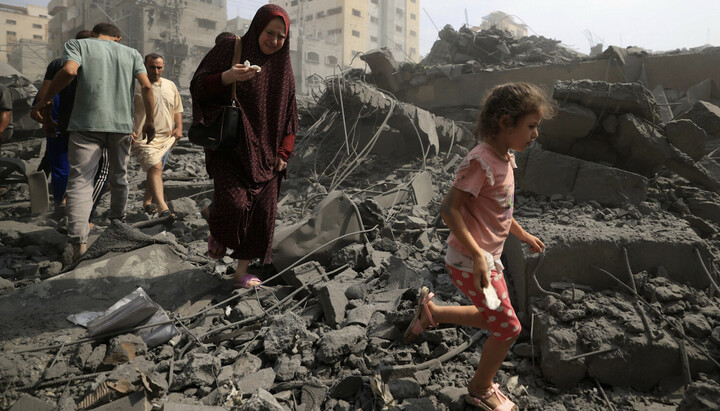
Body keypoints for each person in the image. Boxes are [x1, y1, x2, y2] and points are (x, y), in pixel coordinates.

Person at [403, 83, 555, 410]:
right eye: (531, 126)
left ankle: (433, 312)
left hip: (486, 259)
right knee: (509, 327)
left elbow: (498, 210)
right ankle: (480, 388)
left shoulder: (505, 157)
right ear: (505, 123)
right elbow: (449, 209)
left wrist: (522, 234)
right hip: (470, 263)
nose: (536, 134)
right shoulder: (480, 161)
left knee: (493, 318)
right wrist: (477, 256)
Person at [190, 5, 297, 289]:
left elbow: (290, 115)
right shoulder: (231, 48)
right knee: (236, 205)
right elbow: (198, 85)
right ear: (257, 28)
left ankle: (241, 272)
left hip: (268, 155)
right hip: (231, 148)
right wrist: (228, 77)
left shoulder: (284, 69)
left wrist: (284, 153)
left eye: (281, 36)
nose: (274, 41)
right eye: (269, 33)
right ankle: (218, 225)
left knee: (261, 214)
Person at [33, 22, 155, 261]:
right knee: (119, 176)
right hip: (120, 125)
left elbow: (69, 71)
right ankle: (118, 225)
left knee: (80, 180)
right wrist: (150, 121)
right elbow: (147, 86)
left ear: (96, 34)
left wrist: (45, 99)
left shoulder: (77, 45)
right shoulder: (131, 53)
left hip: (85, 124)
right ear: (117, 38)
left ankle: (79, 244)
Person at [32, 30, 110, 221]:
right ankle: (78, 209)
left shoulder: (59, 63)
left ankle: (62, 205)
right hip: (89, 122)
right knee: (91, 167)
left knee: (60, 164)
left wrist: (43, 115)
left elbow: (45, 95)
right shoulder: (99, 63)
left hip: (61, 118)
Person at [131, 53, 183, 218]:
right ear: (145, 66)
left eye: (159, 67)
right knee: (155, 167)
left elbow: (177, 109)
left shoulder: (170, 85)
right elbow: (124, 109)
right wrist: (128, 128)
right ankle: (163, 208)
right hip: (143, 137)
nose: (156, 70)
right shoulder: (135, 85)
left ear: (164, 67)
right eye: (152, 67)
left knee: (155, 170)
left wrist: (179, 127)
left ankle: (147, 203)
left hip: (167, 138)